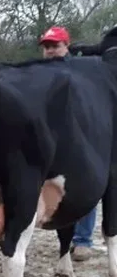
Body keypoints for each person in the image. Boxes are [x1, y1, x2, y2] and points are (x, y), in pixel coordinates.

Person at [39, 26, 95, 261]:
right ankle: (65, 237)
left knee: (85, 187)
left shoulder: (80, 71)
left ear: (67, 46)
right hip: (51, 140)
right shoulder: (39, 72)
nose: (51, 51)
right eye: (47, 47)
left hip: (81, 138)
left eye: (55, 46)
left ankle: (83, 240)